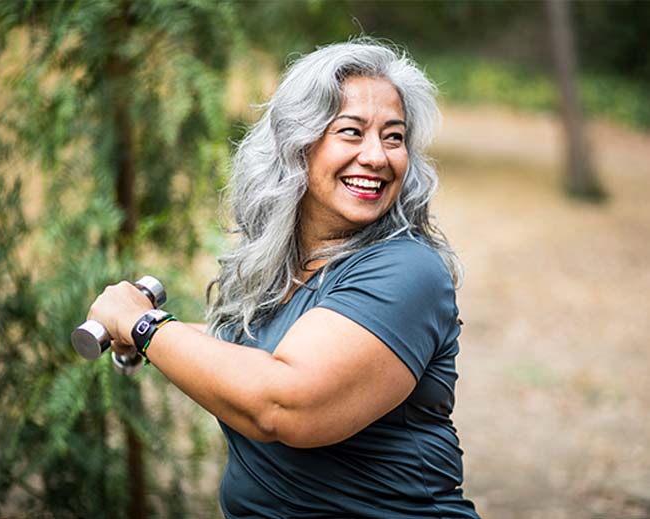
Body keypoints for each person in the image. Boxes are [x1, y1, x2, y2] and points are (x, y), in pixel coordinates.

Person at [88, 39, 480, 518]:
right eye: (352, 132)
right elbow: (257, 351)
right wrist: (144, 329)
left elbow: (285, 405)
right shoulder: (289, 266)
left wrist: (146, 329)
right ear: (298, 144)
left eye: (393, 137)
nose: (377, 156)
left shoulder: (406, 269)